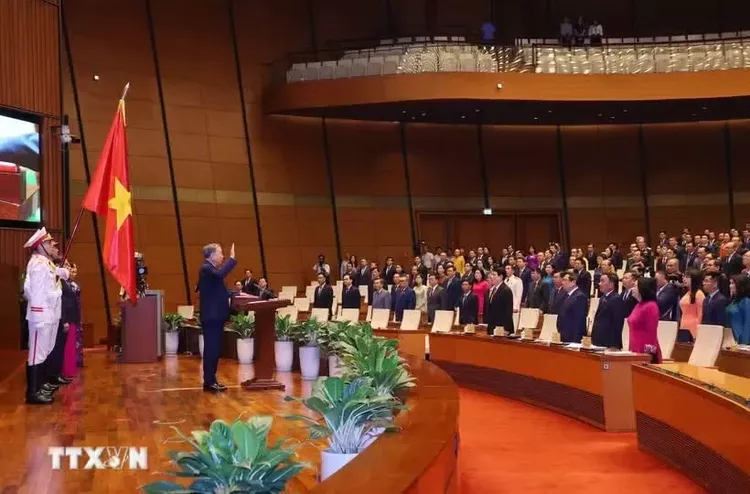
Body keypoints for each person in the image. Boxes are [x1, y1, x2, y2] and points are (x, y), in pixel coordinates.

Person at [22, 227, 69, 404]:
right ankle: (32, 393)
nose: (51, 245)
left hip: (49, 314)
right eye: (48, 243)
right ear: (40, 245)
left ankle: (40, 386)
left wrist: (63, 272)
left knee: (44, 351)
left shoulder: (46, 263)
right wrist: (38, 313)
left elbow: (56, 274)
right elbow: (32, 291)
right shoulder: (37, 264)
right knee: (36, 353)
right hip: (40, 316)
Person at [197, 242, 236, 392]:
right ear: (212, 255)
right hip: (212, 317)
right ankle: (209, 382)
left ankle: (211, 380)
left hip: (215, 316)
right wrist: (232, 259)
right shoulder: (206, 268)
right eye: (220, 253)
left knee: (214, 349)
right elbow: (220, 275)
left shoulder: (210, 270)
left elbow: (217, 291)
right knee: (211, 350)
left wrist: (236, 293)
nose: (222, 256)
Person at [627, 277, 662, 363]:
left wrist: (648, 355)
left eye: (635, 286)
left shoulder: (651, 306)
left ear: (642, 288)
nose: (632, 289)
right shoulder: (638, 305)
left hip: (644, 350)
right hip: (634, 347)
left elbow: (652, 332)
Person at [591, 273, 624, 349]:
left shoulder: (616, 299)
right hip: (599, 339)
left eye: (602, 281)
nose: (599, 284)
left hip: (609, 342)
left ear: (611, 284)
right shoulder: (603, 297)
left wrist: (614, 345)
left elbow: (617, 323)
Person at [61, 262, 82, 378]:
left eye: (69, 266)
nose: (68, 268)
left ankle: (71, 368)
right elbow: (63, 302)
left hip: (73, 316)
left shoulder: (69, 282)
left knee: (72, 343)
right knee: (67, 345)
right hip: (67, 317)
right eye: (66, 266)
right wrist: (64, 320)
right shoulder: (61, 282)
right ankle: (67, 370)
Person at [484, 270, 514, 335]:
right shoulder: (493, 289)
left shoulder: (506, 290)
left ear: (501, 277)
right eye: (491, 275)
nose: (491, 277)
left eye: (494, 275)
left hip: (501, 327)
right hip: (492, 326)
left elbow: (508, 311)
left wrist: (506, 328)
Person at [678, 269, 704, 343]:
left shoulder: (699, 294)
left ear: (695, 279)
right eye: (684, 276)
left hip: (694, 327)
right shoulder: (687, 293)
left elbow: (701, 315)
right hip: (683, 325)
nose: (684, 279)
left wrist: (698, 332)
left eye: (687, 277)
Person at [727, 275, 750, 345]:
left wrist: (744, 343)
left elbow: (747, 324)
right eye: (730, 283)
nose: (730, 286)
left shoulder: (746, 302)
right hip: (730, 338)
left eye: (733, 283)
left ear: (740, 285)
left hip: (740, 340)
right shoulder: (734, 301)